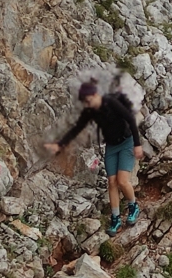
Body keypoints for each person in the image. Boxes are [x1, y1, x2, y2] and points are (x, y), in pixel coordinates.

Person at [44, 80, 143, 235]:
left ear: (96, 95)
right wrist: (60, 145)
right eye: (85, 103)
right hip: (111, 146)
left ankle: (133, 206)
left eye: (89, 101)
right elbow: (76, 129)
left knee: (122, 181)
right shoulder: (90, 111)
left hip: (127, 143)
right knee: (111, 182)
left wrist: (137, 144)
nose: (88, 105)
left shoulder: (111, 102)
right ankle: (116, 218)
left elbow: (130, 119)